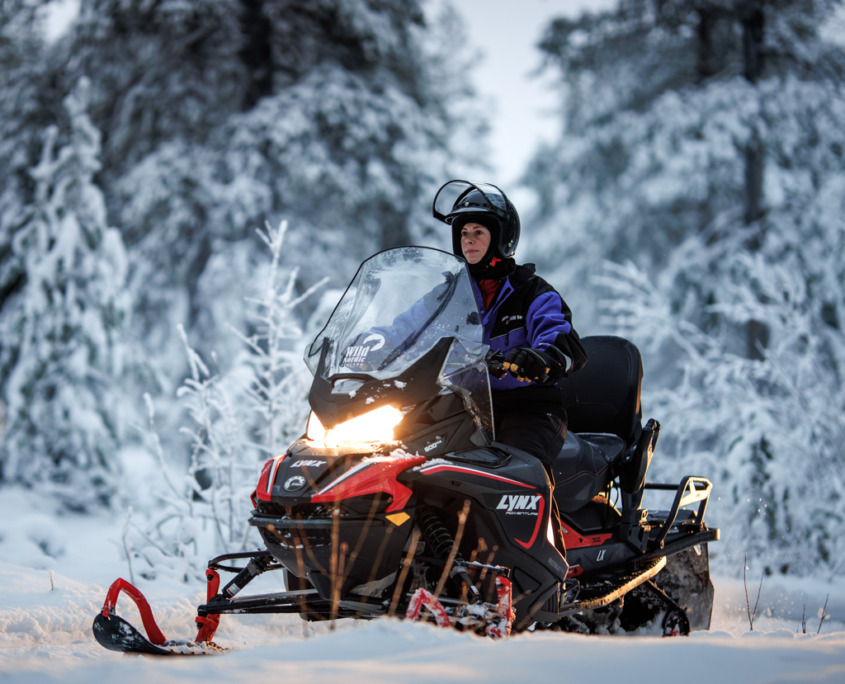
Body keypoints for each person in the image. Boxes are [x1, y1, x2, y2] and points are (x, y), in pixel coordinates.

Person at [432, 180, 587, 473]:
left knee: (514, 475)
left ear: (503, 238)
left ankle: (540, 518)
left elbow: (564, 343)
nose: (469, 240)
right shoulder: (447, 294)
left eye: (478, 232)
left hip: (528, 409)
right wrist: (369, 343)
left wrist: (539, 358)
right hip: (463, 408)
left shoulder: (532, 292)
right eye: (463, 233)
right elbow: (404, 329)